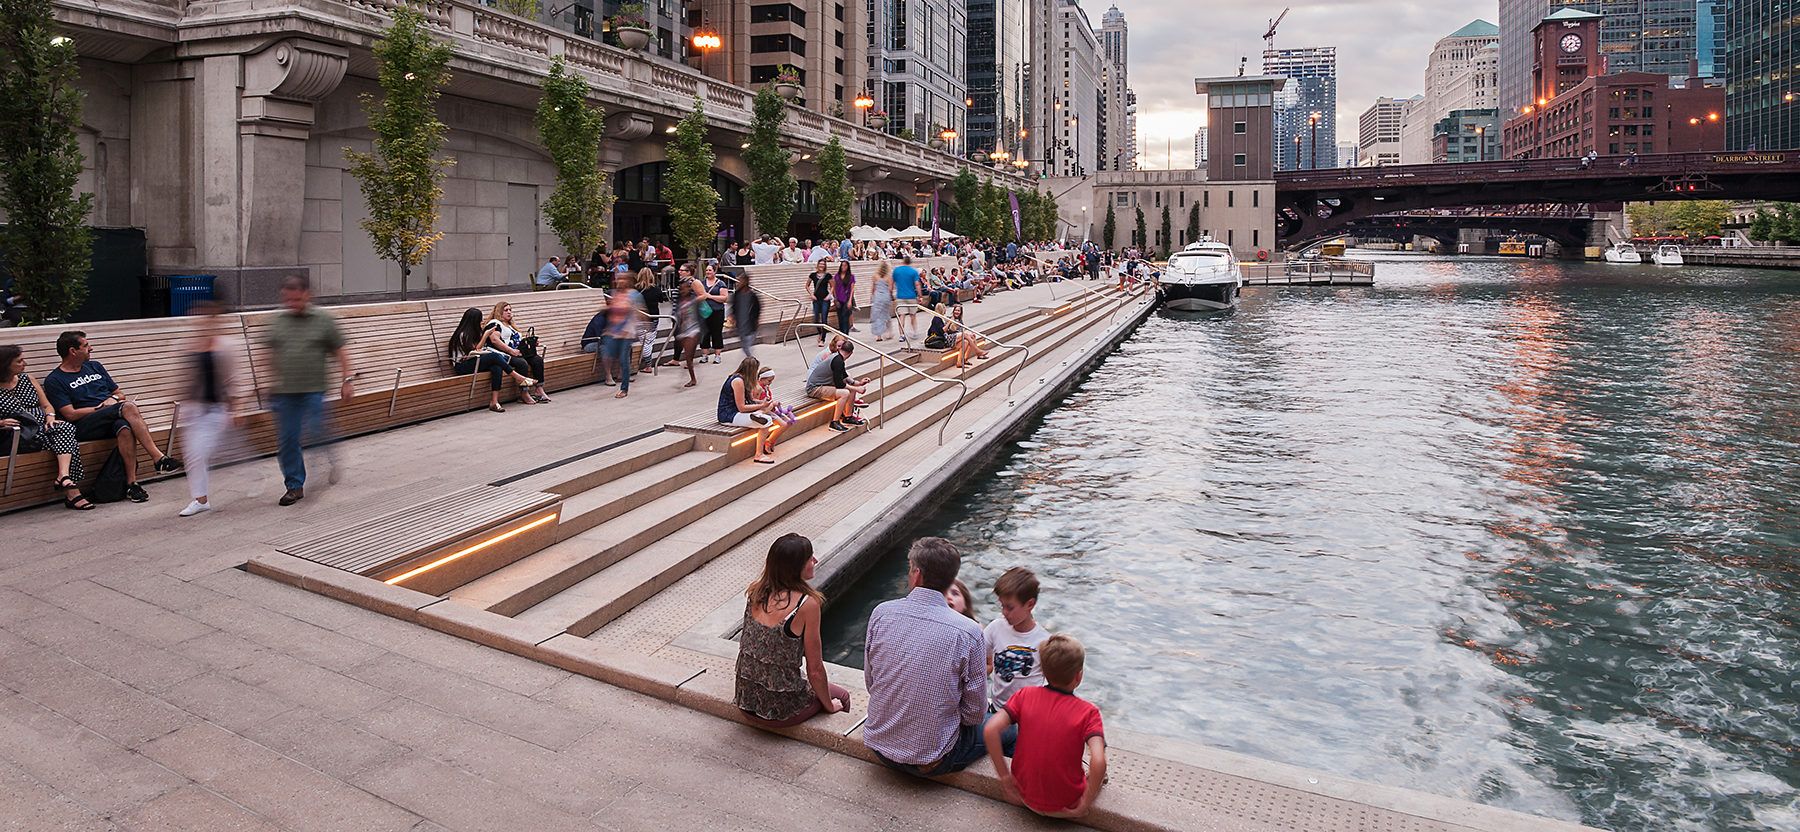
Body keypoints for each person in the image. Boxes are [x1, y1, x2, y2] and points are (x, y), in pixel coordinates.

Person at [863, 538, 1014, 776]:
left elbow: (872, 683)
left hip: (879, 748)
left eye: (910, 568)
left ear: (917, 573)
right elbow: (974, 713)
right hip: (934, 760)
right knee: (1011, 728)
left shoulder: (881, 614)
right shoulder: (969, 631)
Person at [45, 330, 183, 503]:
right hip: (85, 425)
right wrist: (100, 408)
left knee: (125, 428)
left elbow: (119, 394)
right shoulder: (55, 379)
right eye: (86, 346)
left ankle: (131, 484)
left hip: (110, 417)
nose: (91, 348)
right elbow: (70, 414)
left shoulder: (95, 366)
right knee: (129, 407)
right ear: (73, 351)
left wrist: (113, 400)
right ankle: (158, 458)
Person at [734, 533, 851, 727]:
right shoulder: (806, 605)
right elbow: (814, 671)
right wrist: (830, 706)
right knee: (842, 696)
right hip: (781, 711)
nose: (815, 560)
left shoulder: (755, 590)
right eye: (809, 558)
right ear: (795, 567)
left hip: (746, 701)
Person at [984, 634, 1106, 819]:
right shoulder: (1089, 712)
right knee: (1101, 769)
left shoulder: (1024, 695)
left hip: (1024, 796)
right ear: (1078, 676)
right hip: (1067, 805)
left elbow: (990, 729)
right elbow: (1098, 761)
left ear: (1042, 670)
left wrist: (1005, 779)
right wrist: (1085, 804)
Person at [262, 275, 352, 506]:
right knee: (288, 440)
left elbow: (340, 350)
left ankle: (329, 458)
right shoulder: (278, 321)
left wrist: (347, 381)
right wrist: (269, 382)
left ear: (307, 295)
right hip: (285, 392)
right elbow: (269, 353)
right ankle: (294, 486)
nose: (292, 305)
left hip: (314, 390)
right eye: (288, 300)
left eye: (296, 299)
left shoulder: (322, 319)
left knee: (316, 431)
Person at [177, 302, 250, 516]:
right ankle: (201, 500)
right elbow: (182, 377)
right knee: (194, 455)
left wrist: (238, 407)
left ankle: (250, 472)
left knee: (204, 451)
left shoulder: (226, 346)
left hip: (218, 409)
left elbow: (236, 378)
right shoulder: (188, 345)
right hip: (195, 409)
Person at [0, 344, 91, 509]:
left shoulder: (28, 379)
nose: (25, 363)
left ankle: (64, 477)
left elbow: (47, 406)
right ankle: (72, 491)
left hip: (42, 430)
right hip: (17, 436)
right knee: (67, 439)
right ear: (5, 365)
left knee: (65, 430)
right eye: (19, 361)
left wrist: (50, 417)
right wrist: (1, 422)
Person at [985, 567, 1050, 710]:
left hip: (1027, 714)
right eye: (1002, 606)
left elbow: (1053, 684)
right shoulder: (995, 628)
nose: (1004, 612)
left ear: (1030, 604)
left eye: (1009, 608)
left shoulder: (1044, 641)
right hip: (998, 709)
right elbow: (981, 661)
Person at [451, 307, 537, 412]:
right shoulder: (462, 335)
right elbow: (475, 350)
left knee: (496, 367)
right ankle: (518, 377)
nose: (482, 322)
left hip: (475, 362)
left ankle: (494, 401)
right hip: (462, 366)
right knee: (494, 356)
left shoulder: (474, 333)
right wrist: (486, 334)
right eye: (480, 319)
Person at [483, 302, 550, 404]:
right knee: (522, 363)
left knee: (537, 360)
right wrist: (511, 351)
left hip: (517, 351)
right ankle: (524, 393)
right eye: (506, 310)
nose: (509, 312)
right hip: (504, 353)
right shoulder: (495, 323)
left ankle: (539, 389)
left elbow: (516, 341)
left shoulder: (511, 325)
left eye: (510, 310)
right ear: (499, 311)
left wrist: (530, 343)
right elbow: (495, 340)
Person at [718, 356, 777, 463]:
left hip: (736, 412)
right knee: (767, 421)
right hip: (729, 415)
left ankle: (758, 414)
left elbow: (750, 399)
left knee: (768, 408)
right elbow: (741, 407)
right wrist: (761, 406)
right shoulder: (738, 381)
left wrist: (762, 402)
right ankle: (759, 454)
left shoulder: (740, 378)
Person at [804, 338, 867, 433]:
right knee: (845, 393)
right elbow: (840, 384)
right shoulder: (837, 361)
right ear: (851, 353)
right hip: (814, 388)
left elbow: (845, 377)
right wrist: (857, 389)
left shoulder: (838, 358)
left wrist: (859, 383)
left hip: (823, 385)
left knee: (851, 390)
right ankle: (835, 423)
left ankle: (848, 417)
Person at [602, 272, 645, 398]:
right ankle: (611, 377)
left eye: (623, 279)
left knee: (623, 359)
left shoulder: (634, 295)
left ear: (629, 281)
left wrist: (634, 317)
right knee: (608, 353)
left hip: (627, 332)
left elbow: (642, 312)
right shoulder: (615, 294)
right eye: (618, 279)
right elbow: (613, 311)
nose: (619, 281)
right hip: (613, 331)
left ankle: (624, 388)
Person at [674, 277, 704, 388]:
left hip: (694, 330)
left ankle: (693, 379)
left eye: (685, 288)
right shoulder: (679, 302)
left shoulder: (694, 300)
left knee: (688, 357)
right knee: (687, 357)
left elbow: (700, 316)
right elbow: (677, 315)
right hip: (683, 330)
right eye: (681, 289)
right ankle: (691, 377)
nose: (683, 291)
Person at [697, 264, 730, 364]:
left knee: (717, 333)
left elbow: (724, 297)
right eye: (706, 270)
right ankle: (704, 355)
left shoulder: (720, 284)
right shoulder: (701, 283)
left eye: (710, 270)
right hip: (704, 311)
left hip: (717, 311)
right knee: (704, 333)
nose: (708, 272)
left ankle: (717, 355)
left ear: (715, 271)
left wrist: (710, 296)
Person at [730, 271, 762, 359]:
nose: (739, 283)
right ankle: (751, 360)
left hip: (750, 325)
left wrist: (757, 322)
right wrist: (733, 321)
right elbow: (734, 308)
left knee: (746, 346)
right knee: (745, 345)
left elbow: (757, 309)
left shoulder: (752, 296)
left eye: (741, 280)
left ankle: (751, 360)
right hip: (741, 324)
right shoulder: (737, 294)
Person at [892, 255, 922, 345]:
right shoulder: (913, 271)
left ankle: (902, 335)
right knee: (913, 315)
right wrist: (920, 296)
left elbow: (892, 283)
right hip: (911, 296)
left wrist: (891, 294)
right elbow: (917, 284)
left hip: (900, 296)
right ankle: (914, 332)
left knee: (902, 315)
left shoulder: (896, 270)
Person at [869, 260, 895, 342]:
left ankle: (879, 336)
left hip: (877, 297)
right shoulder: (889, 277)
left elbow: (873, 288)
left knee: (877, 316)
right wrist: (892, 297)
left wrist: (872, 297)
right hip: (886, 297)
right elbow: (890, 289)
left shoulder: (875, 276)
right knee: (886, 315)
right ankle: (888, 332)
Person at [808, 261, 832, 345]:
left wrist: (829, 295)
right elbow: (807, 285)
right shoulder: (813, 275)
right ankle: (820, 332)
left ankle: (823, 339)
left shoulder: (827, 275)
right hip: (816, 299)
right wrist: (811, 294)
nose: (822, 266)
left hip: (825, 299)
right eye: (820, 264)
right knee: (816, 319)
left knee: (824, 319)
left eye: (823, 264)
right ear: (818, 265)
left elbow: (833, 285)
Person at [831, 261, 857, 335]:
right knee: (840, 318)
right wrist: (835, 299)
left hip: (846, 298)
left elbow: (852, 289)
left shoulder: (851, 276)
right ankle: (842, 334)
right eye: (842, 265)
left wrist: (850, 301)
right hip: (839, 298)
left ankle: (846, 335)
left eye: (845, 265)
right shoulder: (836, 276)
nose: (843, 267)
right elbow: (834, 288)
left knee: (846, 318)